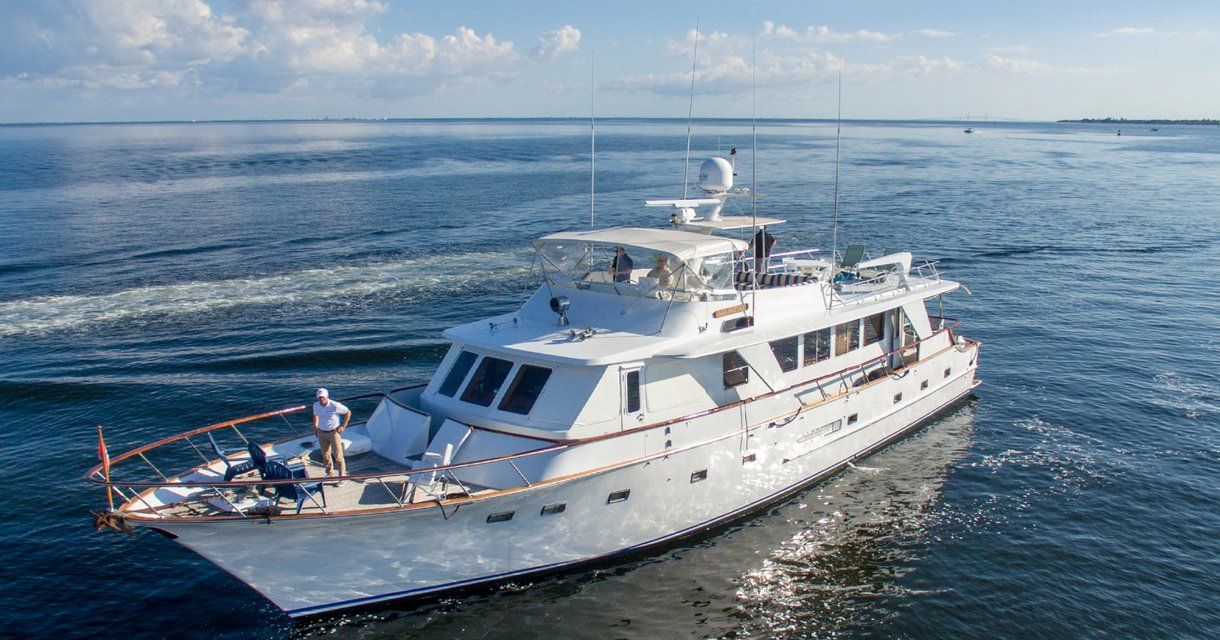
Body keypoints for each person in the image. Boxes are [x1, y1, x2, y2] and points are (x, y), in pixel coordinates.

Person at [312, 388, 351, 477]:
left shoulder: (335, 405)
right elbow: (315, 415)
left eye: (323, 397)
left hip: (334, 432)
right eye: (319, 398)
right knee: (325, 455)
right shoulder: (316, 405)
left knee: (338, 455)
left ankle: (342, 475)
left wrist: (343, 426)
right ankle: (330, 473)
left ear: (327, 396)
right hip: (322, 432)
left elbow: (348, 412)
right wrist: (316, 428)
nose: (321, 399)